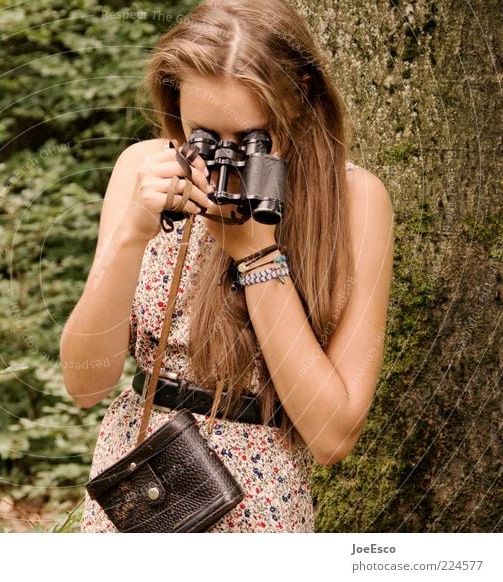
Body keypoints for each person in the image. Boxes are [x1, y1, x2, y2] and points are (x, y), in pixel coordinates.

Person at [60, 0, 393, 532]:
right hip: (144, 487)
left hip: (261, 506)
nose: (224, 160)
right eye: (205, 136)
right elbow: (85, 384)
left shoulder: (354, 201)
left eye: (252, 138)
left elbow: (332, 436)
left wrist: (255, 255)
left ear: (301, 95)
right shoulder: (144, 169)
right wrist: (129, 238)